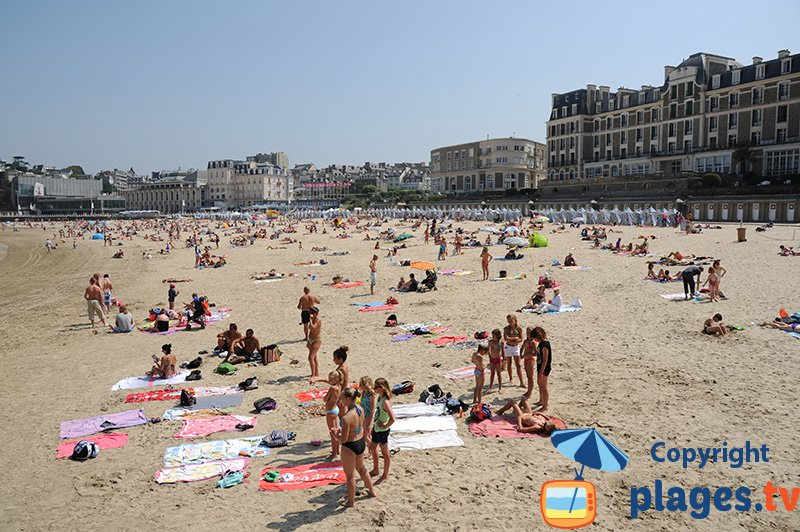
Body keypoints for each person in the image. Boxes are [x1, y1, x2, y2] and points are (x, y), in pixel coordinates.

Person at [329, 387, 378, 508]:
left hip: (349, 447)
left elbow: (344, 439)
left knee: (350, 476)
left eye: (341, 399)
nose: (340, 401)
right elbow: (356, 427)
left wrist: (335, 435)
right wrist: (341, 430)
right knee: (362, 469)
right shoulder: (359, 408)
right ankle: (372, 491)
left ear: (347, 399)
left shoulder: (346, 418)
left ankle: (351, 502)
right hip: (360, 443)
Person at [369, 378, 395, 484]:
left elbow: (393, 418)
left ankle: (385, 474)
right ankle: (376, 469)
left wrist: (385, 426)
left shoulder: (386, 401)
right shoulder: (379, 398)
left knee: (385, 452)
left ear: (382, 388)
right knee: (372, 447)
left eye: (376, 387)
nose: (374, 388)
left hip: (382, 431)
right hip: (377, 428)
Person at [322, 370, 343, 460]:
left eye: (331, 379)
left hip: (331, 411)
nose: (329, 381)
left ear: (336, 379)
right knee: (336, 430)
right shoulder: (339, 387)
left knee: (332, 432)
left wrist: (326, 398)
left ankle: (334, 453)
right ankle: (337, 450)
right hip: (335, 409)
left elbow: (325, 399)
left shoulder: (332, 388)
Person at [532, 326, 551, 410]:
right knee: (540, 385)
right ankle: (541, 400)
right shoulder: (540, 343)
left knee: (544, 387)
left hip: (544, 368)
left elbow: (545, 360)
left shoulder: (545, 345)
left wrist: (541, 373)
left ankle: (545, 405)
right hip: (540, 366)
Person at [503, 314, 524, 386]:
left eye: (511, 320)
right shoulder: (506, 328)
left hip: (515, 347)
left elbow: (521, 339)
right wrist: (515, 338)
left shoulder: (519, 328)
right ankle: (511, 378)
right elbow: (506, 339)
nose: (510, 322)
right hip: (508, 347)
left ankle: (521, 382)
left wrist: (513, 340)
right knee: (509, 363)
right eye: (508, 321)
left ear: (515, 320)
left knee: (518, 364)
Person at [359, 376, 376, 445]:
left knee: (365, 436)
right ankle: (370, 451)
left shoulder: (371, 395)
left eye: (361, 384)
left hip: (368, 416)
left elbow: (372, 408)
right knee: (367, 435)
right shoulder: (363, 393)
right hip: (363, 415)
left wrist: (371, 420)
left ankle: (372, 449)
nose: (359, 386)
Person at [521, 327, 537, 399]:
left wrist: (529, 355)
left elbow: (536, 353)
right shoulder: (525, 341)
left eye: (530, 333)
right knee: (528, 376)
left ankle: (530, 392)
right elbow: (522, 348)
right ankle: (528, 390)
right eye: (527, 332)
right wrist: (521, 355)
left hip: (530, 359)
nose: (528, 334)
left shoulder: (533, 342)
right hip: (526, 359)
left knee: (530, 377)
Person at [306, 307, 322, 377]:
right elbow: (309, 328)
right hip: (311, 340)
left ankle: (313, 374)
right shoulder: (312, 319)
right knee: (314, 357)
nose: (310, 314)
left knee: (310, 357)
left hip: (317, 340)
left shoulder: (318, 321)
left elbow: (313, 328)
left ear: (316, 314)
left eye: (312, 313)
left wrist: (310, 320)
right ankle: (316, 372)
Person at [487, 329, 504, 394]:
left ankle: (500, 387)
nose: (493, 337)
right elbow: (488, 350)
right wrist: (490, 356)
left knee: (499, 373)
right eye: (492, 335)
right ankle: (490, 387)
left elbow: (502, 351)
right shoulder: (491, 342)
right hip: (492, 359)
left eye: (494, 336)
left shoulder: (500, 342)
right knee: (492, 373)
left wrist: (504, 358)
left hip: (498, 359)